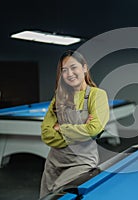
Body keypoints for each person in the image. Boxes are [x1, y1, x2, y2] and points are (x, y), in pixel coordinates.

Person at [39, 50, 109, 198]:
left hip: (81, 162)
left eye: (73, 67)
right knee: (45, 197)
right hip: (54, 162)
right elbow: (46, 134)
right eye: (64, 70)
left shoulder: (97, 95)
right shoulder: (59, 97)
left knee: (59, 195)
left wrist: (61, 128)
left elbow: (93, 129)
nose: (69, 73)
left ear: (84, 68)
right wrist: (80, 131)